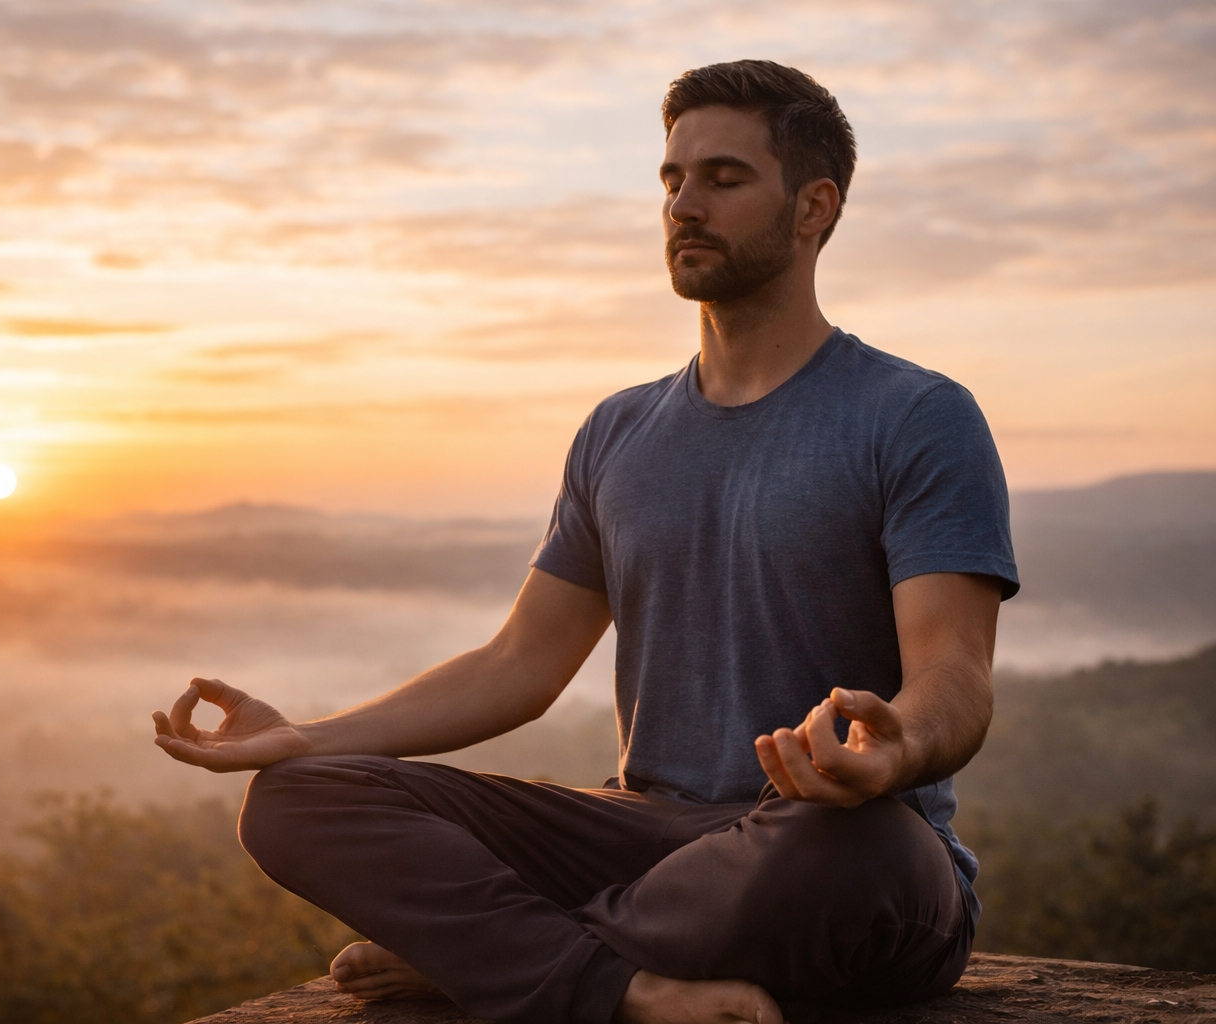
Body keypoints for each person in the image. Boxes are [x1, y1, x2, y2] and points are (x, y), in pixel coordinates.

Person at [152, 59, 1017, 1024]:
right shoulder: (619, 431)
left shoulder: (916, 416)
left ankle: (497, 958)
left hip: (825, 841)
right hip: (641, 835)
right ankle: (620, 983)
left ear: (815, 207)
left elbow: (955, 676)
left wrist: (895, 757)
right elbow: (519, 663)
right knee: (297, 800)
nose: (685, 204)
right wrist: (307, 737)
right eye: (671, 179)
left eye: (723, 179)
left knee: (865, 850)